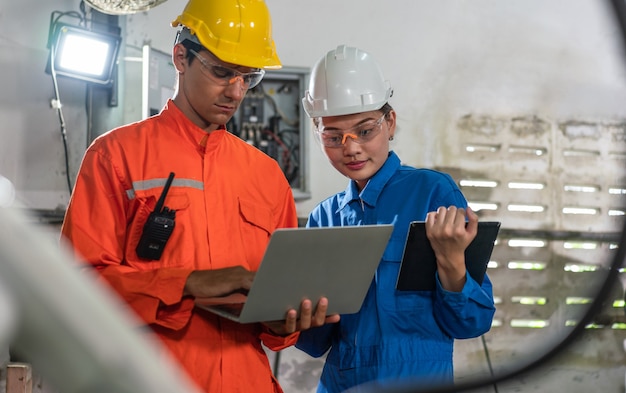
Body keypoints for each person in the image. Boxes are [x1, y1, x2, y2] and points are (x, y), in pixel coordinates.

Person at [60, 1, 338, 392]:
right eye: (222, 72)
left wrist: (283, 322)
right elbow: (76, 291)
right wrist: (188, 282)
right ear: (181, 57)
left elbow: (277, 320)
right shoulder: (115, 156)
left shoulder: (266, 176)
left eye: (248, 77)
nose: (236, 91)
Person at [295, 45, 497, 392]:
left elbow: (472, 321)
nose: (351, 147)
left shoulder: (432, 193)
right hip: (341, 383)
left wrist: (451, 263)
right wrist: (297, 315)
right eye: (333, 137)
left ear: (389, 122)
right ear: (318, 136)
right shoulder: (324, 217)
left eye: (364, 130)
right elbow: (314, 343)